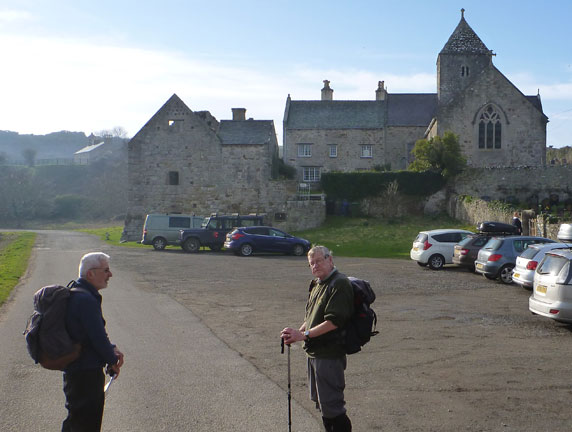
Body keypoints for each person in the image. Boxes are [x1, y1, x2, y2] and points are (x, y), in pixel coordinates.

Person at [281, 246, 354, 432]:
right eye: (311, 263)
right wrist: (296, 334)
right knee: (322, 404)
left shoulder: (339, 284)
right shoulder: (317, 284)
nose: (315, 266)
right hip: (314, 352)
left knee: (333, 408)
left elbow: (334, 322)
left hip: (329, 354)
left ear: (330, 260)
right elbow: (311, 317)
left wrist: (303, 335)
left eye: (318, 261)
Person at [62, 252, 124, 432]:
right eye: (106, 271)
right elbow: (97, 337)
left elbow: (89, 335)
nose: (110, 275)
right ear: (91, 274)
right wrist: (112, 360)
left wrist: (111, 349)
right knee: (86, 424)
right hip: (85, 373)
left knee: (76, 420)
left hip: (77, 372)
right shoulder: (86, 300)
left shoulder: (78, 294)